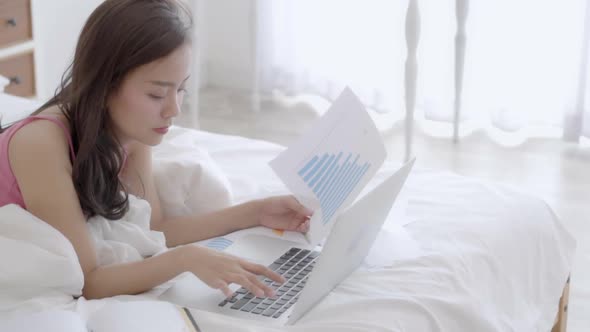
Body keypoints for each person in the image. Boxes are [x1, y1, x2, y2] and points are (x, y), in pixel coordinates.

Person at [0, 0, 312, 300]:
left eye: (180, 89)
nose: (173, 110)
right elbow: (87, 281)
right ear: (105, 84)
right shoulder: (40, 144)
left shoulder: (132, 131)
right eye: (156, 94)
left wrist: (256, 212)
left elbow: (157, 228)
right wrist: (182, 260)